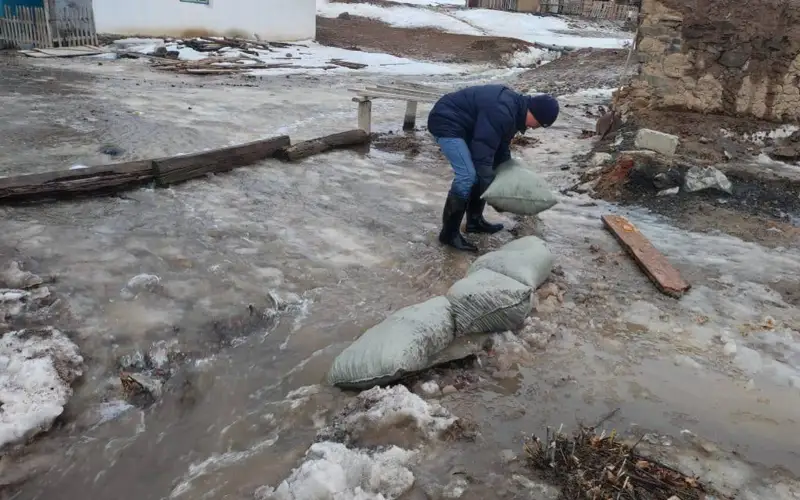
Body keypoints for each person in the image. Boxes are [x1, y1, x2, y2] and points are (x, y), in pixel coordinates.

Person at [427, 85, 560, 252]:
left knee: (483, 171)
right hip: (446, 121)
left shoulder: (515, 112)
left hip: (466, 126)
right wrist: (492, 193)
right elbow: (482, 152)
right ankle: (448, 233)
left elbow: (500, 146)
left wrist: (506, 171)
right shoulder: (503, 111)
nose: (535, 128)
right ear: (533, 111)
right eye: (539, 124)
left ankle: (474, 221)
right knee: (468, 175)